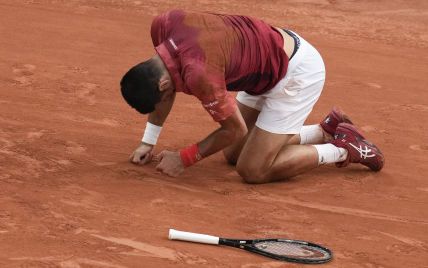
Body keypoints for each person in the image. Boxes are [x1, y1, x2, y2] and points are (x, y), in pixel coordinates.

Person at [120, 9, 384, 183]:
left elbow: (234, 129)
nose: (166, 100)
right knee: (233, 155)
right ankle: (324, 130)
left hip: (296, 73)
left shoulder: (199, 74)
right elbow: (163, 88)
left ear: (164, 84)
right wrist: (148, 142)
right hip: (264, 60)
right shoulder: (163, 25)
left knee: (253, 170)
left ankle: (341, 149)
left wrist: (185, 157)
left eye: (164, 97)